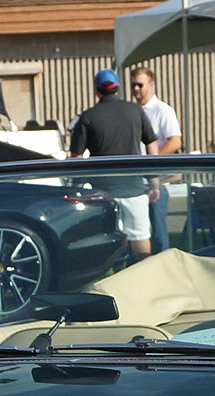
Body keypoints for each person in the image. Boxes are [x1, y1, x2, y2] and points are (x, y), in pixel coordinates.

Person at [67, 69, 156, 257]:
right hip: (134, 190)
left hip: (102, 195)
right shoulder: (136, 111)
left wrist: (76, 185)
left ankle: (114, 280)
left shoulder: (88, 117)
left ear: (96, 90)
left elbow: (76, 156)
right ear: (117, 88)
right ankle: (144, 279)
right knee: (140, 240)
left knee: (108, 243)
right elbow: (151, 144)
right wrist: (154, 180)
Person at [130, 67, 183, 250]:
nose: (136, 89)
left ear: (151, 85)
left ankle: (164, 264)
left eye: (140, 84)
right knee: (137, 230)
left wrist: (153, 159)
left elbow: (175, 141)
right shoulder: (133, 111)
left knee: (158, 230)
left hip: (156, 175)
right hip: (137, 175)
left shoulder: (163, 110)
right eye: (133, 85)